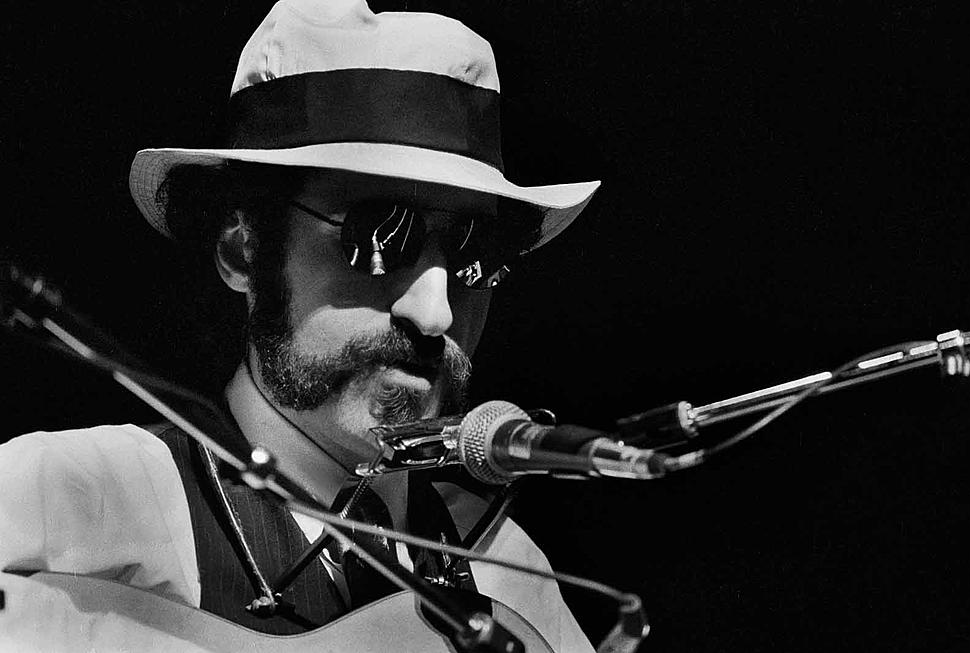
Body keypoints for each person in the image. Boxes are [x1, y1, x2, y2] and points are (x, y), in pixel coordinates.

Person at [0, 0, 600, 650]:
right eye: (379, 236)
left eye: (473, 253)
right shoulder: (73, 497)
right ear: (244, 250)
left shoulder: (510, 576)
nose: (437, 313)